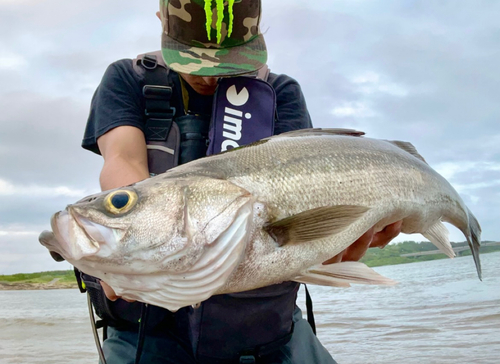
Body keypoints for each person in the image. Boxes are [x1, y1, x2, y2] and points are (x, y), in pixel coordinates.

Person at [81, 1, 402, 363]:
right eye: (193, 60)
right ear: (161, 23)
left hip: (266, 335)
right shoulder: (127, 79)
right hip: (147, 334)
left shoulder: (282, 93)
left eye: (229, 61)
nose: (209, 77)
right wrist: (131, 243)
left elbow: (302, 202)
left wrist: (341, 237)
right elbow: (122, 158)